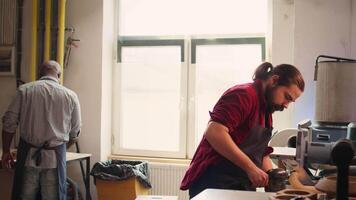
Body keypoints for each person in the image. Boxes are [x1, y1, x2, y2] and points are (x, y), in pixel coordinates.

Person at [180, 62, 305, 199]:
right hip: (215, 183)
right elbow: (214, 131)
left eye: (290, 101)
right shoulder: (243, 95)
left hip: (239, 184)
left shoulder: (266, 110)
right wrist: (251, 169)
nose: (286, 105)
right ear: (274, 80)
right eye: (287, 97)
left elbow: (259, 153)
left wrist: (272, 175)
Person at [1, 60, 82, 200]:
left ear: (40, 73)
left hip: (27, 157)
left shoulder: (25, 90)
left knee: (24, 196)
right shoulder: (70, 96)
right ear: (59, 75)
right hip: (55, 159)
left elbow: (9, 122)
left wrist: (6, 151)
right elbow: (75, 132)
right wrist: (60, 148)